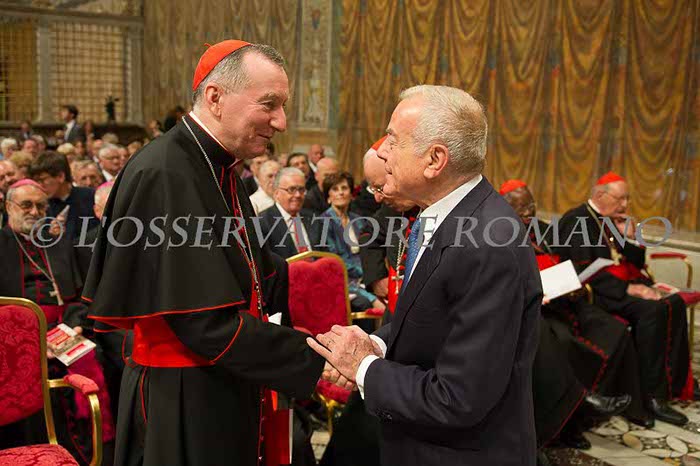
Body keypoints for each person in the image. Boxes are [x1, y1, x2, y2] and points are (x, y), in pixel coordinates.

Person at [83, 40, 325, 466]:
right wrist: (314, 356)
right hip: (182, 396)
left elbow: (258, 272)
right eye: (269, 104)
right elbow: (203, 324)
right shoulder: (165, 173)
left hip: (222, 379)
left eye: (282, 106)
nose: (281, 121)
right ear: (215, 97)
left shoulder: (219, 167)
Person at [308, 85, 541, 466]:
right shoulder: (444, 216)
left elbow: (458, 397)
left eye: (394, 140)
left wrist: (364, 368)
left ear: (435, 160)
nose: (383, 151)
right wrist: (376, 345)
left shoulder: (487, 246)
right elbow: (431, 322)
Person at [554, 172, 691, 426]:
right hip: (594, 295)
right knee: (653, 310)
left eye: (627, 198)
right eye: (620, 199)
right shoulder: (576, 220)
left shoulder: (609, 220)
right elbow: (583, 272)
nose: (625, 205)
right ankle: (651, 396)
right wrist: (629, 290)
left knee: (675, 302)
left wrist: (629, 236)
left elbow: (634, 261)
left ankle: (676, 384)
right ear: (600, 195)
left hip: (614, 288)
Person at [0, 179, 115, 463]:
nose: (35, 212)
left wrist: (76, 325)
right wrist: (32, 340)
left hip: (64, 329)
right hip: (15, 339)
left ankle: (97, 453)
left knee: (95, 356)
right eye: (26, 205)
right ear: (8, 207)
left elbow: (77, 296)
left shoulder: (60, 243)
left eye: (41, 206)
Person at [320, 171, 386, 313]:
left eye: (344, 188)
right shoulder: (324, 222)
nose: (341, 193)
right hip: (341, 281)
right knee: (368, 303)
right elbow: (335, 260)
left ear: (351, 194)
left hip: (365, 278)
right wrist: (366, 272)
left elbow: (369, 252)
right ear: (328, 197)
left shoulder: (358, 220)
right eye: (335, 189)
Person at [30, 151, 98, 241]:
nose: (39, 185)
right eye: (36, 181)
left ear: (60, 176)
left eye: (42, 180)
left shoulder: (91, 197)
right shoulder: (40, 206)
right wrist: (50, 236)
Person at [259, 167, 324, 259]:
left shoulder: (313, 218)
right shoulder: (263, 222)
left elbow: (324, 254)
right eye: (291, 189)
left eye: (301, 190)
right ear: (277, 193)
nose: (298, 195)